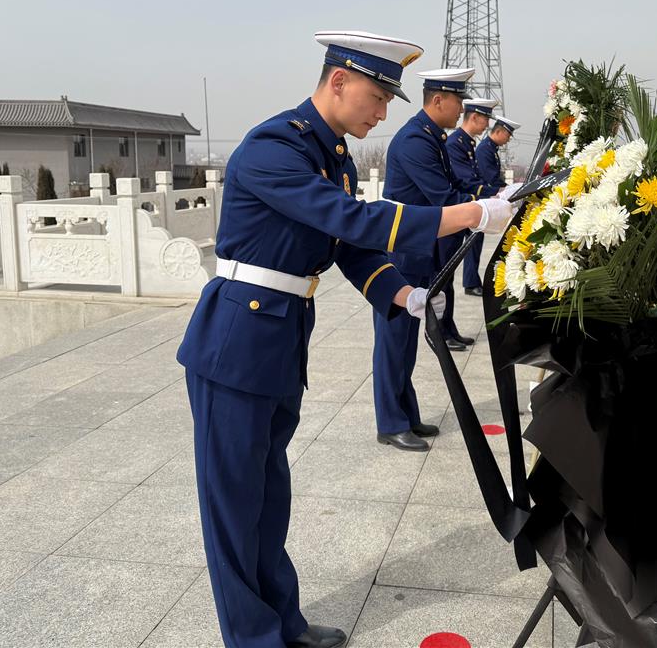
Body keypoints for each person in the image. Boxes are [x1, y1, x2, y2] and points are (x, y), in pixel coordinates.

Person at [176, 32, 515, 648]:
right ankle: (254, 639)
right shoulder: (274, 146)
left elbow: (349, 247)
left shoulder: (331, 156)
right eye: (378, 97)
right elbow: (351, 219)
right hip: (235, 342)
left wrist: (403, 294)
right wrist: (470, 214)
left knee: (269, 497)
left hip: (278, 336)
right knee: (233, 505)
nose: (383, 113)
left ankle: (284, 623)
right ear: (338, 81)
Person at [373, 69, 505, 450]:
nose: (461, 108)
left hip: (418, 251)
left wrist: (491, 198)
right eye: (458, 101)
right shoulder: (415, 141)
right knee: (393, 341)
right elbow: (443, 198)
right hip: (400, 252)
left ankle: (407, 416)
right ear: (437, 100)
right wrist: (484, 210)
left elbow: (455, 186)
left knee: (407, 343)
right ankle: (390, 422)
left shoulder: (431, 137)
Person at [441, 100, 503, 316]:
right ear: (474, 117)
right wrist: (493, 194)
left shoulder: (467, 143)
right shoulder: (455, 143)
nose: (487, 125)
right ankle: (444, 327)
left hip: (468, 204)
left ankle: (448, 327)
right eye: (485, 119)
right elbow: (466, 181)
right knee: (443, 277)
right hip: (457, 208)